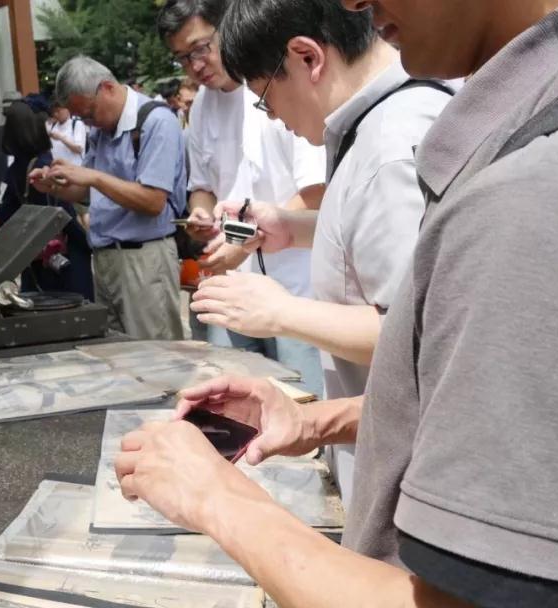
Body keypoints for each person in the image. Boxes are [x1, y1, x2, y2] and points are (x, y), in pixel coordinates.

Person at [116, 0, 558, 606]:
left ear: (307, 59)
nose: (353, 3)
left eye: (266, 94)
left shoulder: (536, 200)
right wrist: (316, 420)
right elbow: (499, 392)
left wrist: (216, 498)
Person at [191, 0, 450, 503]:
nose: (275, 118)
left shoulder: (391, 146)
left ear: (307, 58)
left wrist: (279, 312)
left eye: (265, 97)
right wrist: (290, 227)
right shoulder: (381, 124)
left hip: (412, 471)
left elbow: (420, 334)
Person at [158, 0, 327, 395]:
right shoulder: (202, 105)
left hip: (295, 284)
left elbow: (316, 192)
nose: (196, 64)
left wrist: (238, 239)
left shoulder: (276, 82)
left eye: (201, 48)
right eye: (183, 58)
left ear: (225, 26)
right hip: (232, 284)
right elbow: (202, 185)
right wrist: (201, 215)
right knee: (238, 406)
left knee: (303, 403)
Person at [30, 56, 187, 340]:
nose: (88, 123)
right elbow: (90, 191)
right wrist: (53, 186)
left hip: (144, 259)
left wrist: (94, 177)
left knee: (158, 359)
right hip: (105, 257)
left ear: (107, 88)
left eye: (89, 114)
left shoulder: (156, 122)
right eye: (82, 118)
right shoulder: (100, 130)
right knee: (119, 357)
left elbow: (153, 201)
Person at [0, 98, 94, 302]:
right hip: (63, 257)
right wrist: (88, 244)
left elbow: (4, 213)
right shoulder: (44, 166)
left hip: (34, 257)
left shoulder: (14, 169)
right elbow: (63, 215)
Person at [46, 101, 88, 167]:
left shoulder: (77, 124)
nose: (56, 114)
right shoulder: (52, 126)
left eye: (58, 111)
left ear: (67, 109)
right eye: (54, 112)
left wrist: (61, 138)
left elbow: (79, 148)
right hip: (57, 169)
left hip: (75, 168)